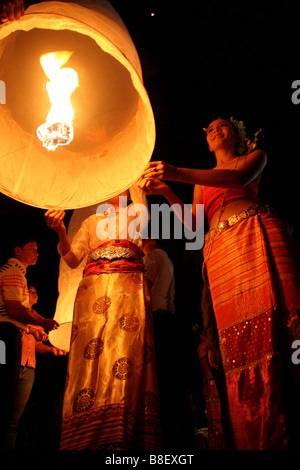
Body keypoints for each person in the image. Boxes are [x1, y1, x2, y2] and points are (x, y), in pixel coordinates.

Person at [139, 117, 300, 450]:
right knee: (239, 337)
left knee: (281, 321)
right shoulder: (201, 182)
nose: (214, 130)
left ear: (236, 134)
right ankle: (255, 428)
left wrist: (175, 173)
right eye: (209, 129)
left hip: (257, 232)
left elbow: (236, 178)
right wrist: (168, 190)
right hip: (220, 250)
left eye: (222, 126)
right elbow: (194, 227)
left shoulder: (254, 158)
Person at [45, 187, 161, 450]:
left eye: (124, 184)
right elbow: (73, 259)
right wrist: (60, 230)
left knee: (125, 350)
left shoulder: (136, 213)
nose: (116, 188)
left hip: (128, 287)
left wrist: (138, 181)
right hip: (93, 290)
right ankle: (88, 431)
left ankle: (122, 428)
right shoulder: (91, 221)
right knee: (92, 351)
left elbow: (142, 208)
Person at [0, 234, 59, 446]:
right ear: (18, 250)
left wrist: (33, 328)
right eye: (32, 248)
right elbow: (14, 309)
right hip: (6, 336)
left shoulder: (15, 272)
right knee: (8, 402)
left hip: (10, 337)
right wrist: (43, 322)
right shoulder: (14, 271)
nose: (37, 252)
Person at [4, 285, 67, 450]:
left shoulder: (36, 317)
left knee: (15, 418)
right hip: (13, 363)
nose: (34, 294)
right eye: (30, 291)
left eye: (35, 291)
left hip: (29, 366)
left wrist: (52, 349)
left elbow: (37, 345)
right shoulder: (17, 313)